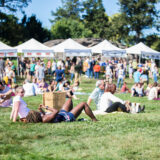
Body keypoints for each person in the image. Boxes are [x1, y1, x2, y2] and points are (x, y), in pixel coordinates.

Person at [10, 87, 97, 123]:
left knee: (69, 100)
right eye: (36, 112)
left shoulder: (42, 118)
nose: (37, 112)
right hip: (67, 117)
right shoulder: (46, 119)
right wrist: (46, 107)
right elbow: (55, 111)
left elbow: (44, 115)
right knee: (83, 104)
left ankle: (75, 111)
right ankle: (94, 119)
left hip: (61, 114)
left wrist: (41, 111)